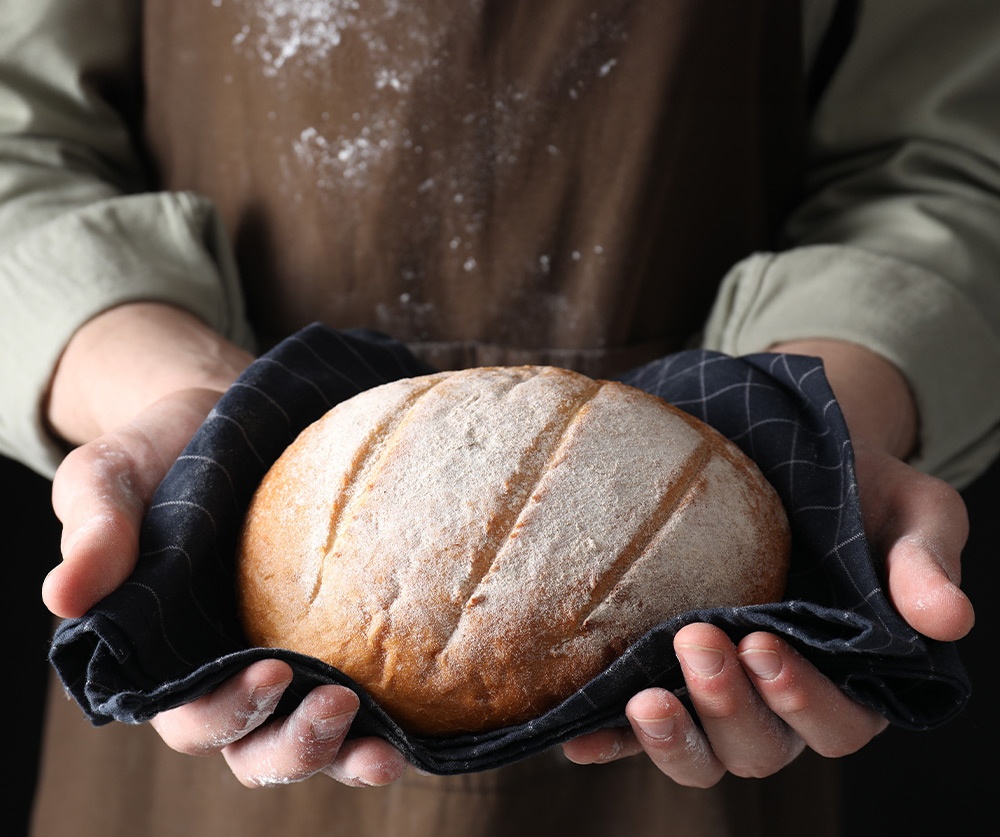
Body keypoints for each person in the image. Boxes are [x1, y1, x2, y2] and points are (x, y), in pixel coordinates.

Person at [3, 0, 997, 835]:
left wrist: (822, 417)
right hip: (209, 703)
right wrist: (174, 396)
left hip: (713, 713)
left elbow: (947, 158)